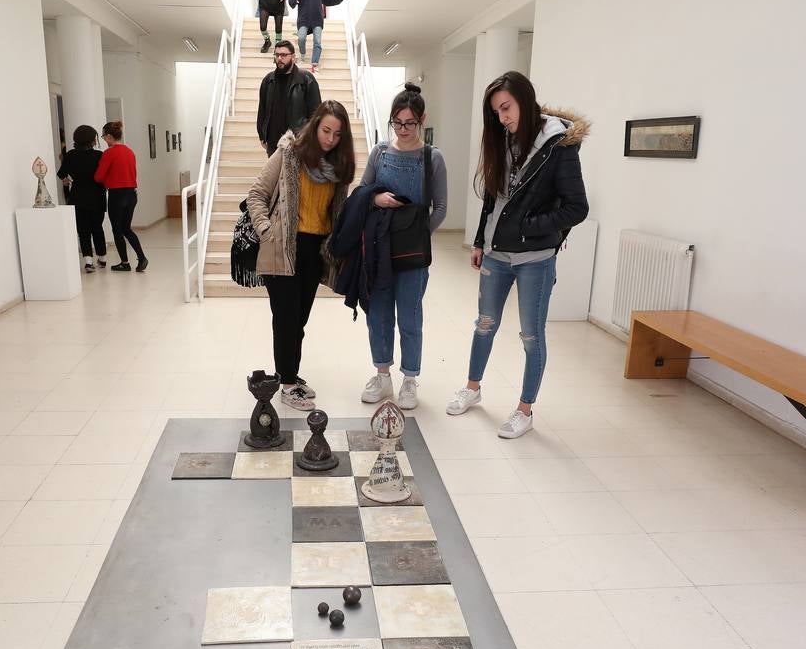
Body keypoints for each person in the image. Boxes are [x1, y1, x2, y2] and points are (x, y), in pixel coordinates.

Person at [446, 71, 590, 438]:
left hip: (534, 259)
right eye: (496, 112)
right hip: (496, 254)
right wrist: (480, 240)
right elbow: (494, 198)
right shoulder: (504, 142)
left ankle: (524, 410)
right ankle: (473, 389)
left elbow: (577, 208)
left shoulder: (558, 147)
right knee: (484, 324)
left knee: (530, 335)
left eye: (506, 108)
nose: (502, 118)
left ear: (525, 100)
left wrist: (528, 226)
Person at [246, 101, 356, 410]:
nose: (330, 139)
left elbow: (335, 212)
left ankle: (289, 375)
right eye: (325, 130)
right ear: (315, 125)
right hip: (283, 247)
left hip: (314, 251)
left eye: (337, 134)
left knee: (300, 320)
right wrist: (267, 230)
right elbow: (256, 194)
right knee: (285, 318)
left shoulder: (338, 168)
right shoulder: (289, 153)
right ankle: (288, 384)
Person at [358, 84, 448, 410]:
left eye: (410, 123)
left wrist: (420, 235)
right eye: (397, 122)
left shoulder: (432, 157)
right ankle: (383, 376)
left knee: (409, 317)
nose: (403, 129)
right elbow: (361, 194)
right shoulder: (380, 152)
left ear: (421, 120)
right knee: (378, 314)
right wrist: (376, 198)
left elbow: (440, 208)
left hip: (413, 255)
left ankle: (410, 379)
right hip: (379, 251)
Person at [94, 120, 148, 272]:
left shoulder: (109, 153)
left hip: (117, 195)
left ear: (110, 136)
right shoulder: (130, 151)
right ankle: (142, 257)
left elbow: (98, 177)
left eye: (104, 136)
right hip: (132, 194)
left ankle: (125, 262)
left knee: (117, 230)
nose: (104, 140)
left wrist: (107, 180)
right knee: (127, 228)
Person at [256, 40, 322, 157]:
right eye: (277, 55)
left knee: (295, 175)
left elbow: (316, 113)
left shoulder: (306, 79)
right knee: (275, 175)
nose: (279, 58)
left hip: (298, 142)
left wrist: (308, 138)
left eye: (284, 55)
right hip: (273, 143)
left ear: (293, 56)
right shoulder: (268, 80)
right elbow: (262, 110)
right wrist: (262, 135)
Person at [56, 124, 108, 272]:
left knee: (83, 230)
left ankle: (88, 261)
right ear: (92, 140)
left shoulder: (70, 155)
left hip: (78, 196)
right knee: (97, 228)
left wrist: (67, 180)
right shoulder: (99, 155)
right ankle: (102, 258)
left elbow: (61, 174)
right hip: (97, 196)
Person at [287, 0, 344, 73]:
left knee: (317, 42)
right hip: (303, 17)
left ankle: (315, 63)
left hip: (317, 17)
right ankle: (302, 53)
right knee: (301, 38)